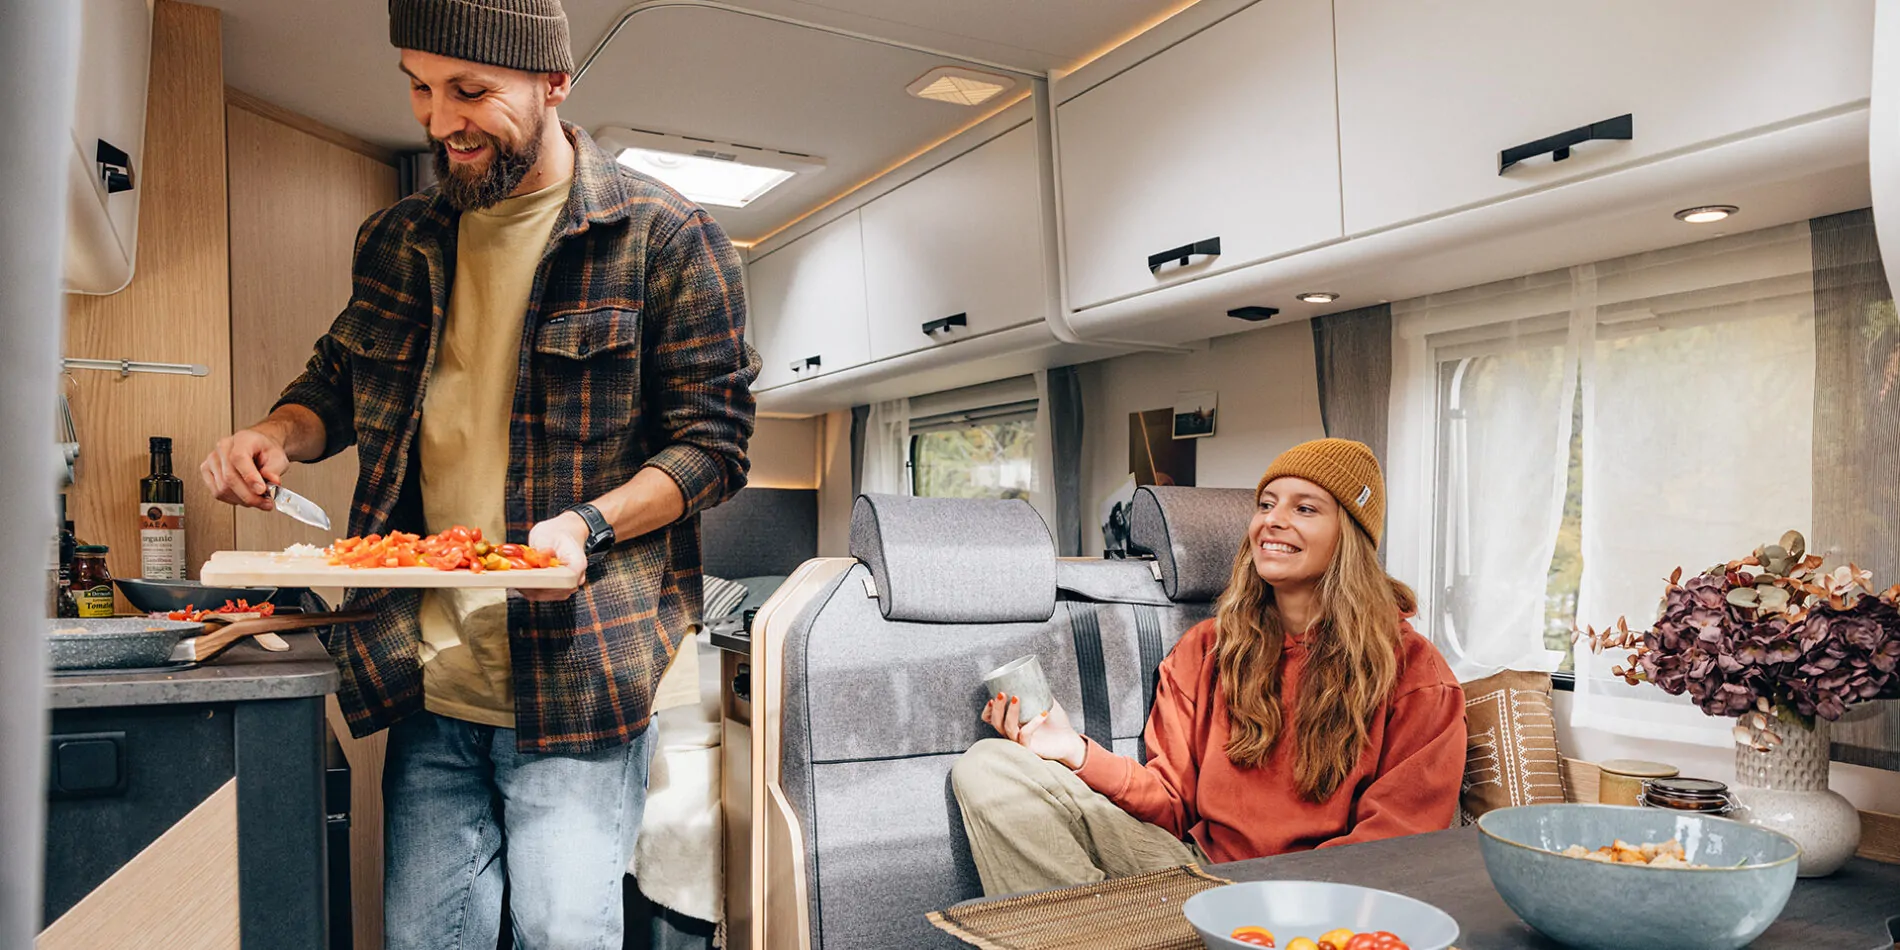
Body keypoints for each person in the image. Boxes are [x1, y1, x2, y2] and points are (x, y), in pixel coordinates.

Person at [198, 0, 758, 944]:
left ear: (553, 83)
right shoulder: (397, 238)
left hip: (583, 673)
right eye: (419, 87)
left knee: (562, 934)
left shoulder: (666, 237)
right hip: (428, 674)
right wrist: (276, 433)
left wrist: (589, 525)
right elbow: (336, 378)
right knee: (424, 938)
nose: (438, 118)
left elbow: (713, 446)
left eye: (470, 90)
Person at [953, 438, 1464, 896]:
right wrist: (1074, 752)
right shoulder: (1206, 650)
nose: (1273, 521)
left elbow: (1395, 845)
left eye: (1305, 508)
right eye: (1266, 504)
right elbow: (1171, 803)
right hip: (1197, 875)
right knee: (987, 767)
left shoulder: (1416, 674)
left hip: (1320, 897)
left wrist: (1272, 908)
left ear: (1348, 536)